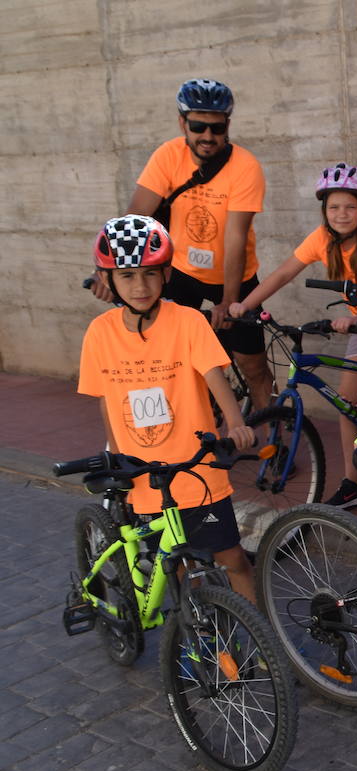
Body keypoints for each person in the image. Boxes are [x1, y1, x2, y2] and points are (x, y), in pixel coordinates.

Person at [79, 215, 257, 603]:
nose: (140, 286)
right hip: (144, 475)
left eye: (149, 274)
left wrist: (237, 422)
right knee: (175, 566)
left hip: (196, 470)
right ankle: (199, 644)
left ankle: (267, 647)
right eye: (127, 277)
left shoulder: (188, 322)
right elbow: (106, 399)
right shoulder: (100, 334)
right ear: (109, 281)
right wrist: (114, 454)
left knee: (232, 558)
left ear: (165, 275)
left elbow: (215, 377)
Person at [229, 163, 357, 508]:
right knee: (347, 403)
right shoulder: (322, 239)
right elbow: (284, 273)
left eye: (350, 206)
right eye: (334, 207)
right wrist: (244, 305)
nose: (342, 214)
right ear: (324, 210)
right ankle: (353, 484)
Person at [90, 79, 274, 413]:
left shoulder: (246, 167)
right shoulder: (168, 155)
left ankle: (277, 437)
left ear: (227, 126)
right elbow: (135, 221)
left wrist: (230, 301)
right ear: (182, 123)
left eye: (216, 128)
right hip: (182, 272)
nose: (207, 136)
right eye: (198, 126)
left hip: (233, 277)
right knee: (171, 354)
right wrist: (107, 273)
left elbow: (235, 240)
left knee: (253, 365)